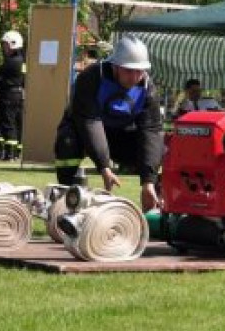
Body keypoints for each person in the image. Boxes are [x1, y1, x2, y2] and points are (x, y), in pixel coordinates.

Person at [52, 36, 163, 211]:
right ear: (115, 66)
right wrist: (104, 167)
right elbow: (90, 122)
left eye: (139, 71)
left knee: (162, 152)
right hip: (82, 130)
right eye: (129, 71)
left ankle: (156, 203)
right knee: (67, 141)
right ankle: (68, 198)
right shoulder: (91, 78)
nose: (135, 77)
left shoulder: (148, 90)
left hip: (119, 135)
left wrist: (149, 181)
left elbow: (151, 132)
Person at [0, 30, 25, 161]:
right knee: (17, 123)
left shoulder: (11, 62)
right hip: (19, 94)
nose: (4, 48)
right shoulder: (22, 61)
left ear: (13, 44)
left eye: (6, 45)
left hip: (9, 94)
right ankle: (16, 152)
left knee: (8, 123)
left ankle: (9, 153)